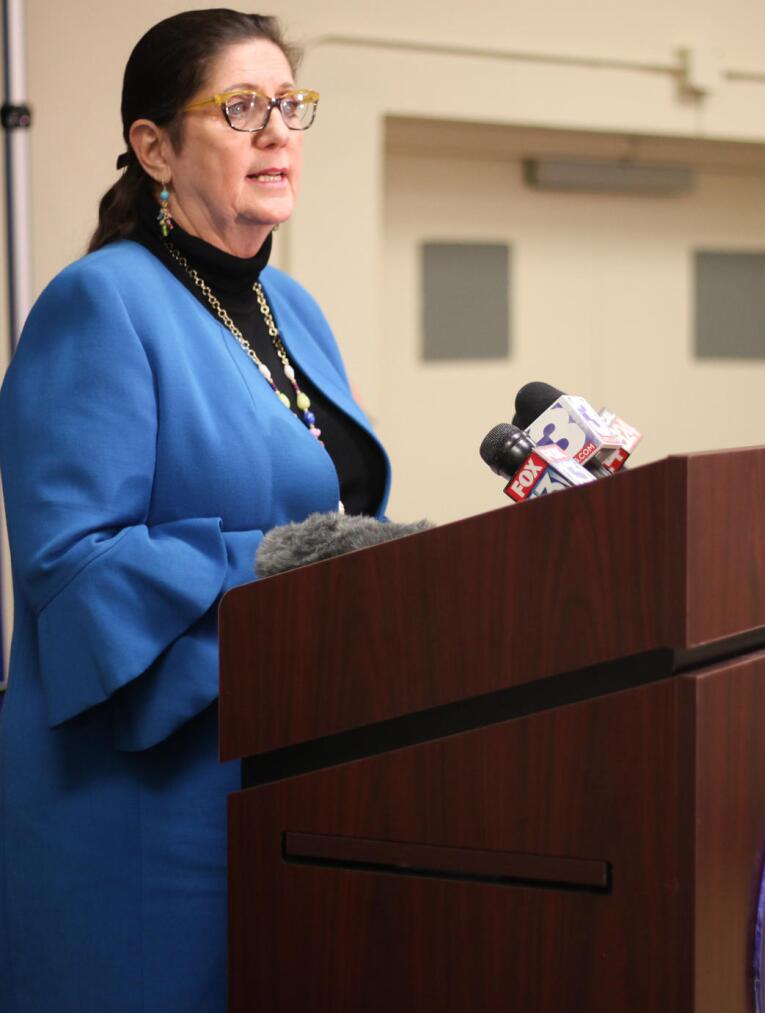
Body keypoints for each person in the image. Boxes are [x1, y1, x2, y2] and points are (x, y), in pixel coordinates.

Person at [0, 10, 389, 1011]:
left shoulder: (291, 309)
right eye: (242, 107)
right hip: (152, 802)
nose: (278, 131)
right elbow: (74, 566)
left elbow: (329, 518)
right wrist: (280, 561)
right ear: (155, 148)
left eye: (289, 105)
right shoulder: (102, 301)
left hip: (285, 760)